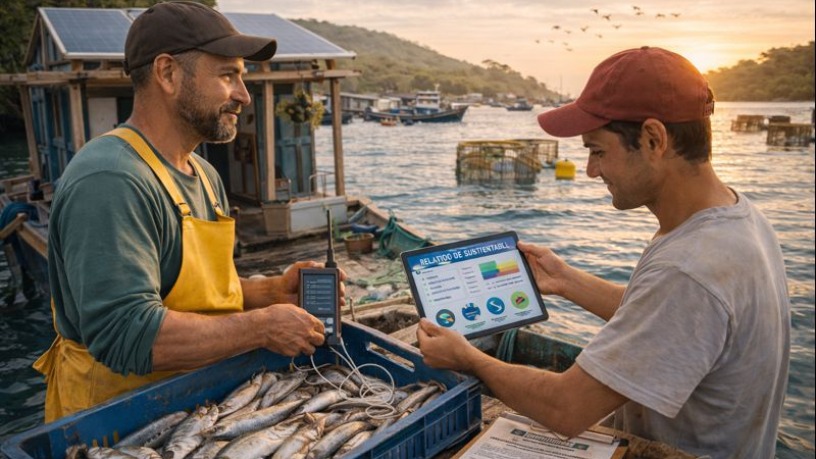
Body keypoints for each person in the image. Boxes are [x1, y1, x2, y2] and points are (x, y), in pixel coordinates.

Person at [417, 46, 790, 458]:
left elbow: (566, 408)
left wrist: (467, 357)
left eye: (597, 151)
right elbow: (665, 321)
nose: (592, 171)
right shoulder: (738, 218)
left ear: (653, 139)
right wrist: (565, 280)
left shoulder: (687, 269)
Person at [34, 2, 340, 422]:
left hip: (197, 408)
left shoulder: (205, 175)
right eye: (227, 75)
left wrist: (268, 293)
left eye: (242, 78)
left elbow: (189, 296)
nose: (244, 96)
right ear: (168, 73)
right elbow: (125, 334)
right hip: (115, 426)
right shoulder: (110, 179)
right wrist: (262, 326)